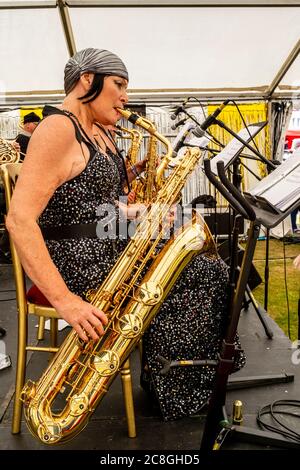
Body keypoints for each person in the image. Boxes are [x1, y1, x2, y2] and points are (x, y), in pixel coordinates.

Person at [6, 47, 245, 421]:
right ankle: (177, 387)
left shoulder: (88, 130)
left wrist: (139, 213)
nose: (125, 97)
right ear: (88, 80)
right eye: (118, 84)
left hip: (104, 249)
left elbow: (89, 201)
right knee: (207, 274)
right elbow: (19, 220)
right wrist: (66, 301)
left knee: (204, 266)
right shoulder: (57, 128)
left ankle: (173, 379)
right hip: (82, 265)